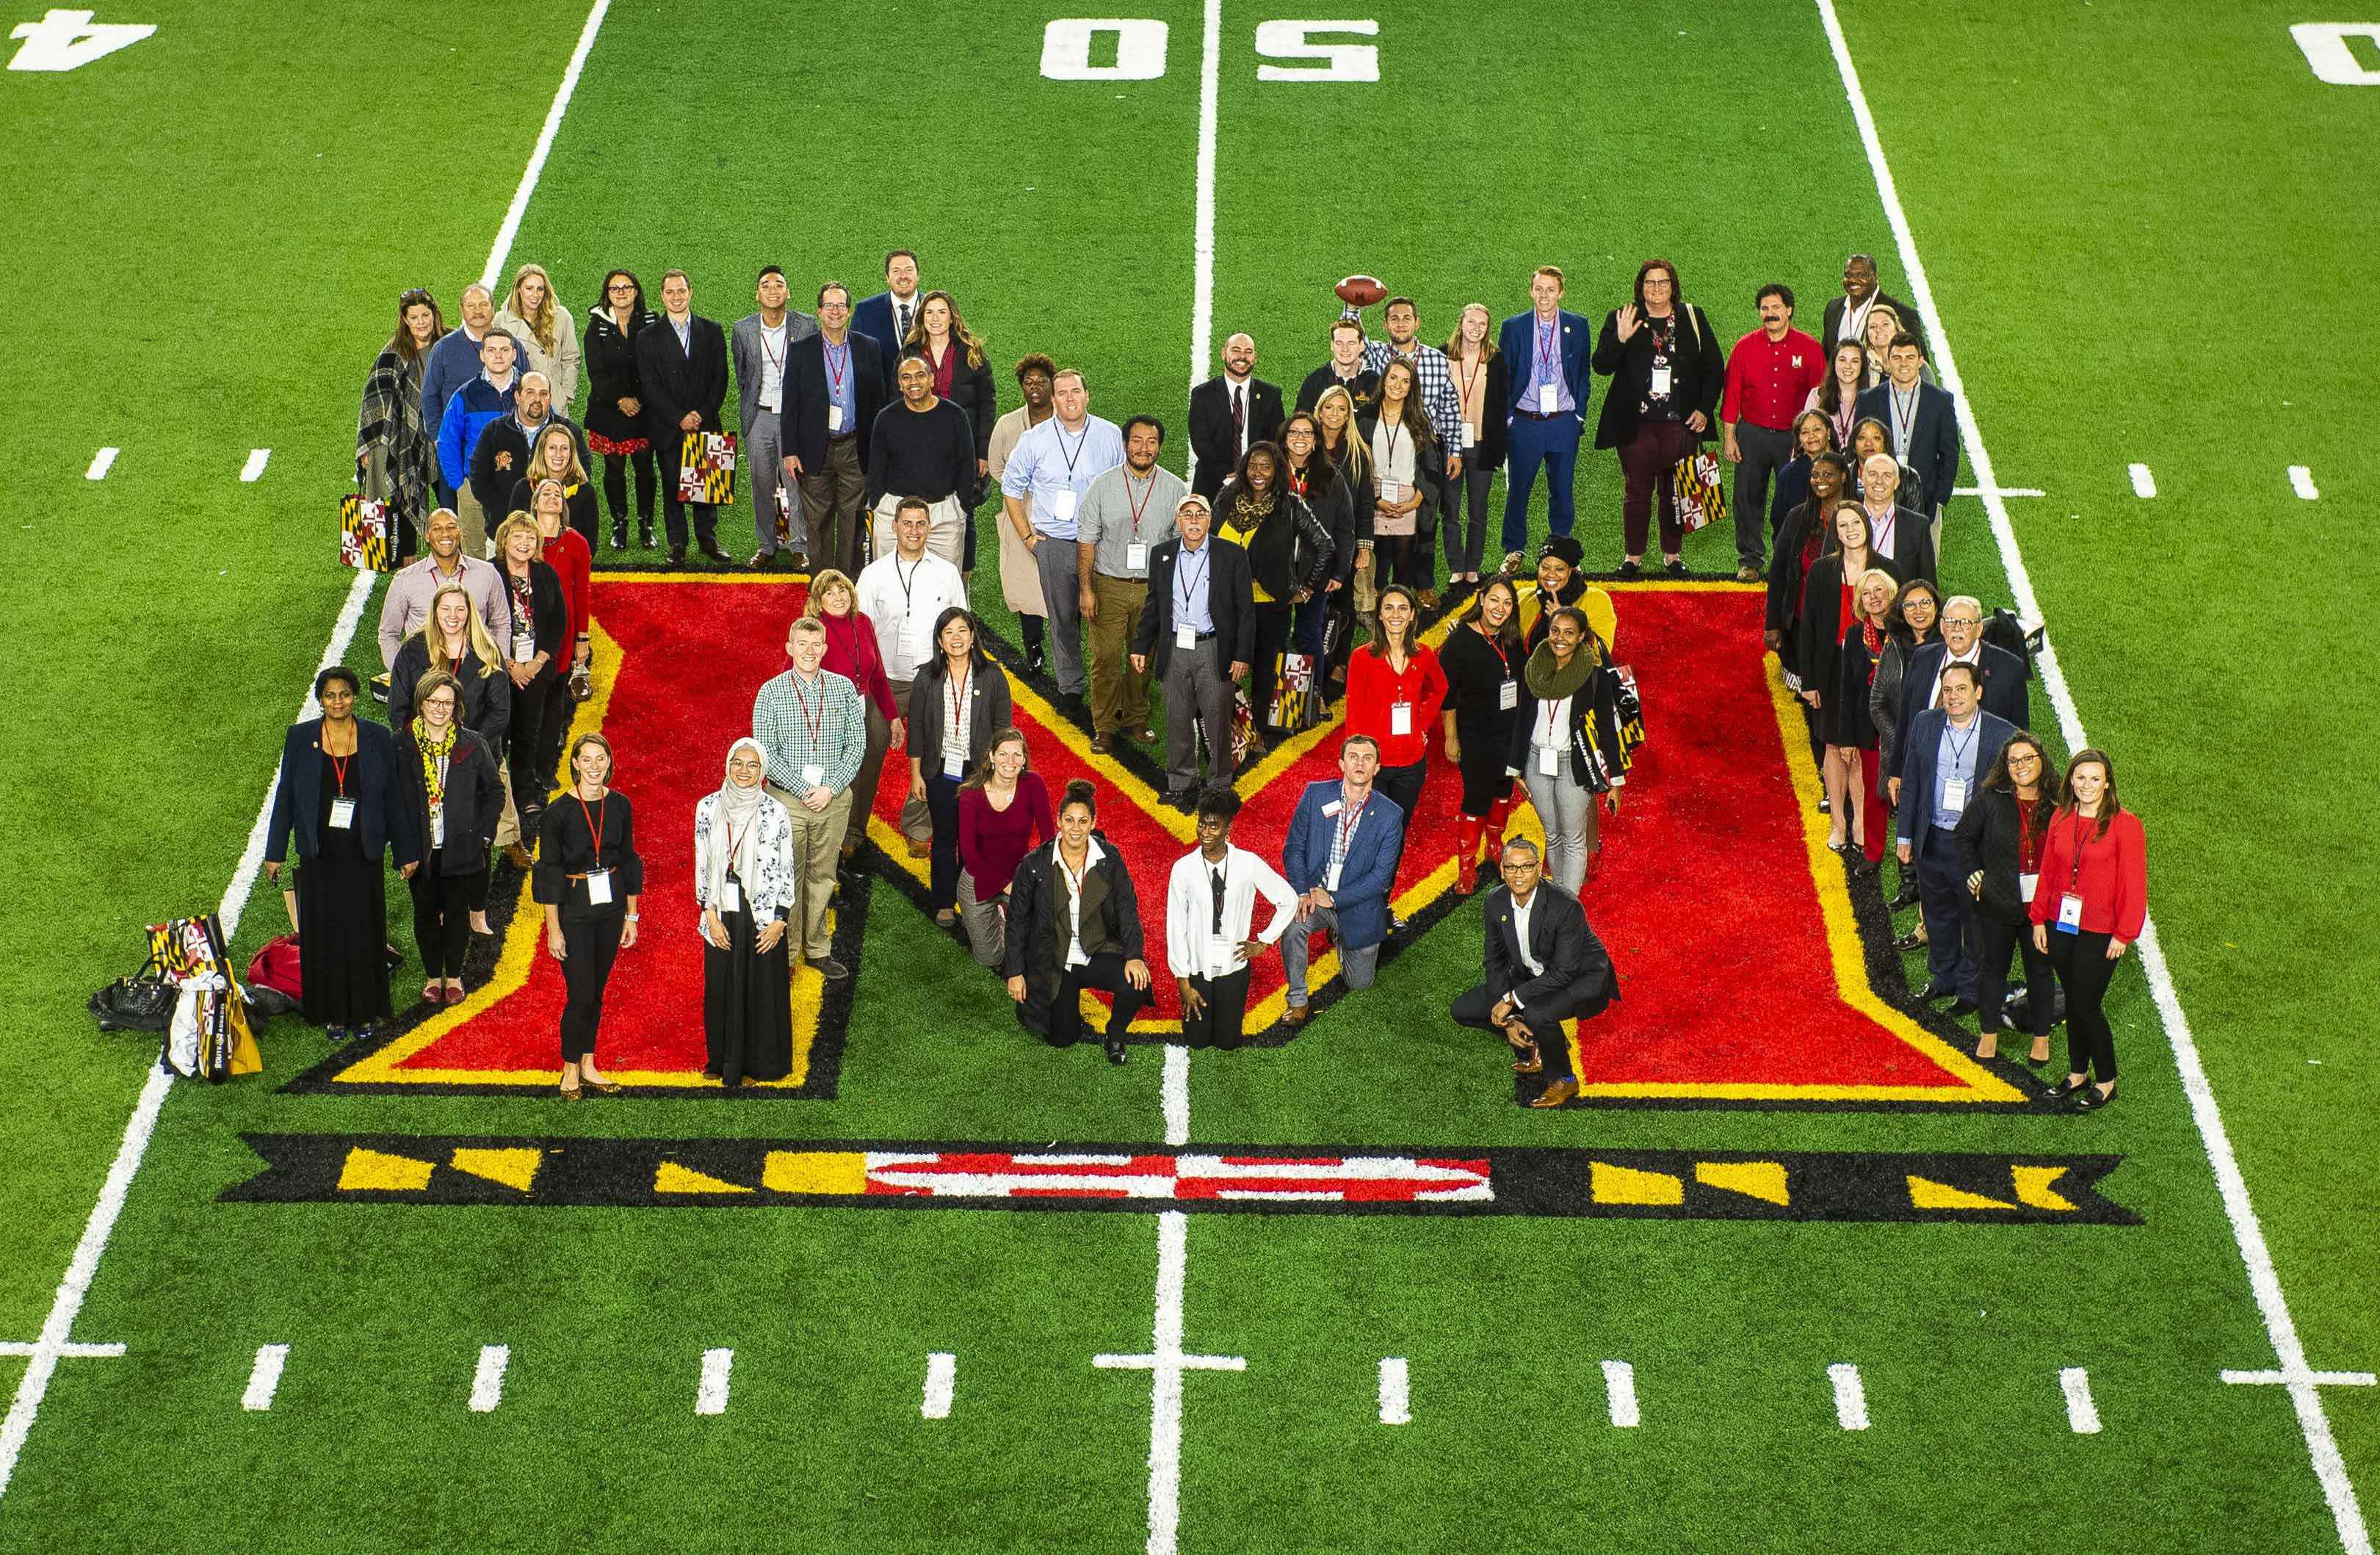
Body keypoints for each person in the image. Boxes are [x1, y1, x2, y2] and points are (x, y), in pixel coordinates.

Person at [263, 667, 419, 1043]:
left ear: (355, 697)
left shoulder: (378, 737)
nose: (338, 701)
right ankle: (334, 1012)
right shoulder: (300, 738)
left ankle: (364, 1011)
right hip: (319, 854)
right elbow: (285, 796)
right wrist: (275, 852)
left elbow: (394, 799)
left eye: (345, 694)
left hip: (362, 853)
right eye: (330, 695)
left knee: (364, 931)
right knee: (325, 933)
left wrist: (405, 852)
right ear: (320, 700)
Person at [1447, 836, 1619, 1109]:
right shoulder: (1496, 900)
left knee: (1538, 1012)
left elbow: (1563, 972)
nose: (1518, 875)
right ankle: (1539, 1038)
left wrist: (1511, 1001)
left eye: (1526, 867)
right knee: (1463, 1009)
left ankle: (1564, 1079)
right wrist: (1509, 1018)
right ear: (1502, 871)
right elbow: (1495, 959)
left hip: (1581, 977)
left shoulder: (1565, 905)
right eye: (1511, 868)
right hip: (1535, 974)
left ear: (1539, 869)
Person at [1895, 662, 2018, 1014]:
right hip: (1931, 837)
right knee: (1937, 915)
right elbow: (1912, 780)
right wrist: (1905, 835)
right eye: (1948, 690)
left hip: (1974, 848)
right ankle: (1942, 977)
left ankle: (1970, 989)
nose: (1953, 697)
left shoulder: (2002, 735)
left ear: (1978, 692)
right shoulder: (1925, 723)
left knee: (1975, 919)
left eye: (1961, 689)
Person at [389, 584, 514, 927]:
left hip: (475, 761)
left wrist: (467, 749)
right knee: (429, 835)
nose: (453, 617)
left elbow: (500, 712)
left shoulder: (487, 650)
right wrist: (426, 746)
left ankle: (476, 910)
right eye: (446, 609)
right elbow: (399, 709)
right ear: (434, 611)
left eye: (460, 609)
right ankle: (436, 908)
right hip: (425, 762)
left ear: (470, 612)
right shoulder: (413, 652)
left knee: (477, 838)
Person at [750, 617, 868, 981]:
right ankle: (785, 953)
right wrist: (804, 790)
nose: (809, 651)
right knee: (787, 875)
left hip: (833, 800)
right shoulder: (770, 693)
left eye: (816, 645)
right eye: (802, 644)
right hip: (786, 801)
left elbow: (857, 743)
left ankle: (817, 948)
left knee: (822, 873)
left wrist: (830, 787)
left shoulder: (843, 688)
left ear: (825, 649)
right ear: (789, 648)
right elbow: (765, 750)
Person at [2030, 750, 2147, 1112]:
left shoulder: (2126, 824)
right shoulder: (2062, 819)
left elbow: (2133, 882)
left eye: (2095, 778)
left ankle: (2106, 1079)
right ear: (2071, 781)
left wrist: (2124, 933)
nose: (2087, 785)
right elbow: (2048, 870)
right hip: (2062, 923)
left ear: (2107, 783)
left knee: (2086, 1004)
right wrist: (2037, 917)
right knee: (2075, 1000)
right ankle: (2078, 1071)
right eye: (2080, 778)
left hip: (2102, 930)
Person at [1003, 779, 1152, 1062]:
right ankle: (1060, 1005)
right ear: (1059, 821)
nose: (1075, 828)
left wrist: (1134, 956)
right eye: (1069, 820)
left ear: (1093, 822)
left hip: (1097, 950)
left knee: (1137, 982)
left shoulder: (1109, 859)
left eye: (1083, 821)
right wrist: (1016, 972)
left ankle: (1116, 1034)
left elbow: (1127, 910)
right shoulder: (1034, 865)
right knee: (1062, 1038)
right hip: (1055, 958)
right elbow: (1017, 922)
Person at [1594, 258, 1724, 576]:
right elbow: (1601, 365)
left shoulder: (1692, 316)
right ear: (1640, 287)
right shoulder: (1622, 317)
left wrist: (1704, 409)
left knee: (1677, 491)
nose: (1656, 289)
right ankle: (1633, 557)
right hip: (1636, 425)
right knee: (1636, 491)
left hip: (1680, 424)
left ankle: (1673, 556)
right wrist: (1620, 338)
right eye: (1650, 283)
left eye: (1663, 282)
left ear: (1673, 286)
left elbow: (1714, 367)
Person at [1001, 368, 1125, 700]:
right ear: (1053, 400)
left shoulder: (1110, 435)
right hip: (1054, 543)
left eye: (1076, 391)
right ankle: (1071, 689)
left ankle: (1106, 692)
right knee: (1063, 621)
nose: (1070, 398)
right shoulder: (1034, 440)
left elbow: (1124, 486)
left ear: (1087, 395)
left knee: (1106, 622)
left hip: (1101, 544)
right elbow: (1011, 490)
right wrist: (1028, 538)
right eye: (1063, 393)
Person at [855, 499, 969, 855]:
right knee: (867, 751)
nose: (914, 531)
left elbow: (960, 628)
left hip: (931, 677)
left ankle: (919, 825)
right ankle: (852, 829)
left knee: (934, 753)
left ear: (929, 528)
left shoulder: (947, 573)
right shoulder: (873, 575)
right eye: (908, 524)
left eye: (921, 524)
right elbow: (860, 634)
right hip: (883, 680)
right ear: (895, 527)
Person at [534, 733, 641, 1098]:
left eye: (601, 759)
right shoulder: (557, 812)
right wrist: (553, 929)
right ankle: (569, 1066)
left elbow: (628, 860)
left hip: (611, 909)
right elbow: (548, 872)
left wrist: (632, 917)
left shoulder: (621, 805)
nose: (595, 766)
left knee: (596, 992)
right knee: (581, 993)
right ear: (576, 764)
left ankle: (589, 1063)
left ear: (609, 763)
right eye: (587, 759)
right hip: (574, 911)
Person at [1278, 736, 1406, 1027]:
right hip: (1315, 896)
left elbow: (1381, 878)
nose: (1359, 763)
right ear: (1341, 763)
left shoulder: (1390, 815)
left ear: (1377, 768)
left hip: (1358, 903)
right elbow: (1294, 848)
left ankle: (1350, 932)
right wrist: (1302, 891)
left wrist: (1334, 899)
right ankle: (1297, 1000)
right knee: (1293, 925)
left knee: (1359, 983)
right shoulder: (1315, 795)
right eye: (1353, 756)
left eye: (1367, 758)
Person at [1135, 494, 1254, 805]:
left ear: (1209, 519)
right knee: (1177, 717)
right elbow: (1153, 606)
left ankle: (1219, 785)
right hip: (1174, 647)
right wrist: (1140, 646)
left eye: (1199, 514)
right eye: (1186, 514)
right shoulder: (1162, 555)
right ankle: (1180, 782)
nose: (1193, 520)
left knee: (1217, 718)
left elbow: (1245, 609)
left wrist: (1241, 655)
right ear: (1178, 521)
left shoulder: (1231, 554)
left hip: (1213, 647)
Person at [1076, 415, 1184, 753]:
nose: (1144, 448)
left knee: (1143, 658)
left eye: (1151, 442)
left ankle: (1136, 718)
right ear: (1125, 444)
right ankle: (1104, 725)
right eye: (1137, 441)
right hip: (1109, 585)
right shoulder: (1103, 485)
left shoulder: (1175, 488)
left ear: (1160, 447)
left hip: (1153, 590)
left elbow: (1182, 545)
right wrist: (1086, 589)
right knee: (1106, 658)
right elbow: (1086, 542)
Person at [391, 670, 500, 1006]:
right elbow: (391, 802)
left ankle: (452, 976)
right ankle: (431, 976)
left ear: (457, 707)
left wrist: (482, 838)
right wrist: (403, 852)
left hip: (461, 849)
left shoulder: (472, 743)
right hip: (421, 851)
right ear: (421, 704)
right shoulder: (401, 745)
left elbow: (494, 793)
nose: (440, 709)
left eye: (448, 703)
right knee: (424, 914)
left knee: (456, 913)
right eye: (434, 701)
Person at [695, 737, 798, 1085]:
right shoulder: (707, 808)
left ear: (762, 771)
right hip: (721, 909)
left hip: (763, 912)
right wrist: (709, 913)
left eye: (752, 765)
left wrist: (780, 921)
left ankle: (759, 1064)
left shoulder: (776, 811)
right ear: (727, 765)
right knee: (722, 985)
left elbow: (787, 867)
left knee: (760, 988)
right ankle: (723, 1060)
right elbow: (703, 863)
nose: (744, 770)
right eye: (738, 763)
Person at [1215, 440, 1334, 742]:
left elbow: (1325, 545)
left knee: (1266, 673)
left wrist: (1306, 587)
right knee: (1225, 670)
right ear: (1244, 468)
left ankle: (1261, 735)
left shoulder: (1289, 504)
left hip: (1269, 606)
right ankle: (1229, 734)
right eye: (1253, 465)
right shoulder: (1228, 497)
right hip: (1228, 605)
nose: (1258, 472)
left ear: (1277, 471)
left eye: (1266, 467)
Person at [1165, 786, 1297, 1050]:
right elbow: (1176, 926)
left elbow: (1289, 899)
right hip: (1197, 969)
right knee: (1197, 1041)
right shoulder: (1183, 869)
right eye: (1202, 824)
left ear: (1229, 829)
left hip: (1233, 967)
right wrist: (1183, 981)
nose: (1205, 832)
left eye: (1214, 826)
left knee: (1229, 1043)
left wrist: (1264, 941)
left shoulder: (1248, 863)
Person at [1511, 604, 1630, 894]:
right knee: (1552, 836)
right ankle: (1562, 899)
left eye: (1568, 633)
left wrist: (1616, 780)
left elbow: (1607, 729)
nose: (1560, 638)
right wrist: (1514, 768)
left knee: (1574, 839)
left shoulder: (1595, 676)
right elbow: (1522, 718)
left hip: (1573, 764)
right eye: (1555, 631)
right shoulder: (1534, 668)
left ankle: (1565, 905)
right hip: (1536, 762)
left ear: (1581, 637)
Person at [1957, 733, 2061, 1065]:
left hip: (2042, 910)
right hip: (1997, 903)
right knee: (1993, 969)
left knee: (2041, 972)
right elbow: (1963, 838)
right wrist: (1974, 873)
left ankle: (2041, 1038)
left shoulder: (2059, 803)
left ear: (2041, 761)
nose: (2021, 766)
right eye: (2014, 760)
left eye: (2028, 758)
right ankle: (1989, 1034)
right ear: (2006, 765)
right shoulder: (1990, 799)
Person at [908, 607, 1014, 928]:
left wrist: (999, 775)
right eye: (948, 632)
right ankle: (943, 902)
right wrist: (916, 773)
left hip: (980, 773)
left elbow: (1003, 728)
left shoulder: (992, 675)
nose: (956, 638)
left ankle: (971, 901)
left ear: (972, 637)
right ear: (939, 640)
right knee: (944, 838)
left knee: (975, 840)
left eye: (962, 631)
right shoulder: (926, 677)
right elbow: (916, 730)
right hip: (939, 771)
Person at [1721, 283, 1827, 582]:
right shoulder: (1744, 347)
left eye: (1776, 308)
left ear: (1789, 310)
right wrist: (1730, 438)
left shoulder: (1809, 348)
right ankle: (1750, 560)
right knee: (1747, 498)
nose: (1770, 314)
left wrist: (1815, 441)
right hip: (1752, 434)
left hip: (1793, 438)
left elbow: (1820, 397)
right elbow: (1732, 396)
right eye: (1765, 309)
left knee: (1794, 499)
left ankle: (1792, 558)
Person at [1796, 506, 1893, 830]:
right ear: (1835, 533)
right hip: (1831, 669)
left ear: (1866, 526)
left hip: (1872, 669)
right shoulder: (1824, 570)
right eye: (1843, 525)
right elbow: (1807, 626)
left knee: (1866, 746)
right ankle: (1839, 822)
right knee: (1834, 744)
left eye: (1856, 523)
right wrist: (1808, 681)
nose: (1851, 530)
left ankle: (1861, 822)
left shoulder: (1888, 569)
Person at [1345, 584, 1447, 871]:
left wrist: (1422, 723)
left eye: (1403, 608)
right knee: (1366, 833)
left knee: (1395, 833)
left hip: (1411, 763)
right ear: (1379, 614)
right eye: (1388, 608)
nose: (1395, 615)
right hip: (1374, 766)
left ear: (1413, 614)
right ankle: (1358, 899)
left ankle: (1383, 899)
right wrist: (1357, 763)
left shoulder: (1424, 655)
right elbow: (1354, 713)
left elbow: (1440, 688)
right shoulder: (1362, 658)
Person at [634, 269, 732, 566]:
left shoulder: (712, 331)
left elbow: (721, 379)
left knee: (707, 485)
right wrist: (679, 417)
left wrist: (701, 414)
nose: (676, 297)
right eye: (670, 292)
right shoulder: (647, 337)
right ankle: (677, 542)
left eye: (681, 291)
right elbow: (649, 385)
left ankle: (708, 539)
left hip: (704, 421)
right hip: (669, 426)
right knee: (672, 486)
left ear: (691, 292)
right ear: (662, 296)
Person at [1497, 265, 1594, 562]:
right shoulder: (1514, 327)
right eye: (1539, 289)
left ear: (1561, 293)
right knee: (1519, 489)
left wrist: (1578, 415)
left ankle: (1560, 548)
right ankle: (1514, 549)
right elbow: (1504, 376)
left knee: (1562, 489)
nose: (1544, 295)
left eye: (1550, 290)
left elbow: (1582, 373)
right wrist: (1509, 418)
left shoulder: (1578, 325)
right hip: (1525, 421)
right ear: (1531, 290)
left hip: (1563, 421)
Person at [1766, 452, 1854, 773]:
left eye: (1828, 474)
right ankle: (1824, 765)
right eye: (1816, 475)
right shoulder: (1798, 518)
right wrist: (1774, 624)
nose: (1820, 480)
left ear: (1844, 477)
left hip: (1848, 627)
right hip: (1805, 626)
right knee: (1813, 697)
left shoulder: (1857, 518)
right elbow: (1778, 573)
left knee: (1844, 698)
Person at [806, 568, 901, 863]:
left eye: (842, 590)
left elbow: (879, 675)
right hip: (829, 716)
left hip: (866, 707)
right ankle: (827, 845)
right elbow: (790, 674)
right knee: (835, 779)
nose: (838, 598)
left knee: (866, 775)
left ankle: (854, 835)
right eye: (829, 593)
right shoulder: (813, 630)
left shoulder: (863, 623)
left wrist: (893, 717)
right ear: (818, 601)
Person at [1440, 576, 1526, 894]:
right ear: (1481, 598)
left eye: (1507, 603)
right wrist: (1451, 737)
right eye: (1494, 600)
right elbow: (1446, 696)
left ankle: (1494, 846)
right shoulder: (1460, 641)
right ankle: (1466, 869)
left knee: (1504, 789)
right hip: (1474, 734)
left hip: (1509, 732)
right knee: (1477, 796)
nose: (1500, 609)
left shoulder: (1513, 639)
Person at [902, 289, 998, 570]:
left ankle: (960, 587)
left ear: (952, 316)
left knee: (963, 513)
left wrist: (983, 454)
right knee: (920, 507)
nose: (935, 318)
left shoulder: (972, 353)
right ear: (922, 317)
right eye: (929, 312)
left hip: (961, 448)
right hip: (919, 448)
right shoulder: (911, 353)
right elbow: (897, 402)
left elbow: (986, 405)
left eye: (941, 312)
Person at [491, 512, 568, 860]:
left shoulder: (545, 574)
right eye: (517, 537)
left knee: (527, 735)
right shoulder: (490, 573)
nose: (524, 544)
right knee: (497, 734)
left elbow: (558, 621)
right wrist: (509, 664)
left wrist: (536, 663)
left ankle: (525, 796)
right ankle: (495, 798)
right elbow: (479, 619)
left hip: (535, 672)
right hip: (497, 670)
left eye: (530, 538)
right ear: (504, 539)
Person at [731, 265, 818, 569]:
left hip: (796, 419)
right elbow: (743, 374)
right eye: (766, 285)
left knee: (797, 482)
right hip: (760, 417)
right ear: (757, 294)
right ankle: (766, 545)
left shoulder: (807, 326)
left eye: (779, 285)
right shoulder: (742, 329)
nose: (772, 290)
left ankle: (799, 546)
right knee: (762, 483)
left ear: (788, 292)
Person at [419, 284, 532, 510]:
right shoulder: (443, 348)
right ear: (462, 310)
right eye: (471, 305)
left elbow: (528, 389)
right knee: (459, 521)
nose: (478, 310)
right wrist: (438, 438)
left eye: (483, 304)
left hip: (509, 458)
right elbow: (429, 397)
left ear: (492, 308)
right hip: (459, 452)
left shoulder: (512, 345)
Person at [865, 352, 978, 562]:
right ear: (900, 384)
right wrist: (879, 503)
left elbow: (966, 466)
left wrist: (962, 506)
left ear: (931, 379)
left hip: (943, 517)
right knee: (889, 587)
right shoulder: (886, 418)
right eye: (906, 377)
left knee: (945, 589)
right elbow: (876, 469)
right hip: (893, 514)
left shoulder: (955, 416)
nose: (913, 382)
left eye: (920, 375)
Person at [358, 287, 445, 561]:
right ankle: (409, 576)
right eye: (415, 317)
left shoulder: (449, 343)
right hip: (404, 442)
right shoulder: (393, 353)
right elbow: (374, 399)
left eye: (426, 315)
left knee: (450, 505)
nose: (422, 322)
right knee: (403, 510)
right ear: (405, 320)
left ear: (434, 315)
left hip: (444, 440)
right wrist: (369, 447)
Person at [956, 728, 1055, 969]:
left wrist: (1040, 879)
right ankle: (1000, 921)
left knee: (1039, 947)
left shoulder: (1034, 784)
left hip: (1020, 876)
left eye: (1016, 755)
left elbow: (1048, 837)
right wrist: (1010, 887)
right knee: (991, 960)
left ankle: (1015, 921)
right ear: (991, 757)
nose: (1010, 762)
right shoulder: (970, 796)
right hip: (979, 881)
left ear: (1024, 760)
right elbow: (970, 856)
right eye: (1003, 754)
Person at [1893, 595, 2029, 763]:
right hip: (1925, 769)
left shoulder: (2009, 667)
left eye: (1965, 623)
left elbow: (2019, 732)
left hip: (1982, 775)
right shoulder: (1922, 658)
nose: (1957, 629)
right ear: (1942, 627)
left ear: (1979, 629)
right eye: (1950, 621)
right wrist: (1897, 771)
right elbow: (1905, 718)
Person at [1856, 333, 1960, 552]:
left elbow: (1950, 454)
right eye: (1897, 358)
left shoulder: (1941, 400)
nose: (1903, 364)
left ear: (1920, 361)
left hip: (1925, 499)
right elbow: (1858, 449)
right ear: (1888, 361)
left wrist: (1939, 499)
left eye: (1910, 357)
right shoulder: (1869, 398)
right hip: (1878, 495)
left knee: (1924, 570)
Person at [1823, 567, 1898, 866]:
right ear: (1860, 602)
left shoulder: (1905, 633)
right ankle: (1873, 853)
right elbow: (1848, 692)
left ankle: (1911, 863)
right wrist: (1847, 739)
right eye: (1866, 593)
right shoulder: (1855, 635)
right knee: (1872, 792)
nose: (1874, 598)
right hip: (1868, 728)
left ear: (1891, 593)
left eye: (1879, 590)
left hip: (1901, 724)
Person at [376, 509, 511, 673]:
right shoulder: (405, 579)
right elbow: (388, 633)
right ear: (427, 535)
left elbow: (501, 623)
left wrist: (500, 666)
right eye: (437, 529)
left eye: (451, 527)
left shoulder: (487, 573)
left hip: (477, 673)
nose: (445, 534)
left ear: (461, 533)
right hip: (426, 674)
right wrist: (402, 674)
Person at [989, 355, 1059, 672]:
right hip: (1019, 511)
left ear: (1052, 385)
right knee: (1025, 582)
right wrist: (1020, 486)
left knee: (1061, 582)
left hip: (1059, 514)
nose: (1034, 387)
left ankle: (1062, 646)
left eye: (1041, 382)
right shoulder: (1008, 424)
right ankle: (1034, 647)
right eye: (1028, 382)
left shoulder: (1068, 420)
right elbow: (995, 466)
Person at [583, 269, 659, 548]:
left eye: (627, 287)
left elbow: (658, 366)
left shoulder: (652, 320)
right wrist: (620, 400)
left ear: (636, 291)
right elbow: (596, 371)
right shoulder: (597, 325)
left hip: (644, 408)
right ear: (608, 294)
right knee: (614, 468)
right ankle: (620, 524)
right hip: (609, 411)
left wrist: (639, 400)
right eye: (615, 289)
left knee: (645, 468)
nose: (621, 292)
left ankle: (646, 524)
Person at [468, 371, 587, 548]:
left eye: (543, 394)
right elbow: (480, 481)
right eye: (530, 392)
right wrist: (511, 519)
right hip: (504, 533)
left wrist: (552, 517)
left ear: (550, 398)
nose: (537, 399)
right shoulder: (493, 431)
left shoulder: (569, 432)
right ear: (517, 396)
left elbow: (581, 477)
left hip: (556, 538)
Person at [1359, 358, 1445, 598]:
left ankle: (1401, 609)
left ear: (1411, 388)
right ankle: (1374, 610)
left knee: (1404, 565)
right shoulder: (1365, 415)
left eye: (1405, 381)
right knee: (1377, 564)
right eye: (1393, 378)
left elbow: (1432, 466)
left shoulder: (1419, 421)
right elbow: (1357, 463)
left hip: (1408, 500)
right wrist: (1375, 499)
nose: (1398, 385)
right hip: (1373, 497)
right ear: (1384, 380)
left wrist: (1415, 502)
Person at [1867, 577, 1942, 852]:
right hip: (1901, 754)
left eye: (1925, 603)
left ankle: (1927, 886)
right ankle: (1908, 885)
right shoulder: (1894, 645)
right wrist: (1901, 740)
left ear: (1937, 607)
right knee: (1904, 817)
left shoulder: (1949, 647)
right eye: (1910, 605)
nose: (1919, 611)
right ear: (1901, 611)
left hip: (1939, 750)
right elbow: (1877, 702)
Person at [1442, 304, 1510, 587]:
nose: (1476, 328)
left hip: (1483, 444)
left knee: (1478, 511)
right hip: (1450, 447)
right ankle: (1456, 565)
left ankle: (1473, 566)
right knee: (1451, 509)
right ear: (1461, 322)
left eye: (1482, 324)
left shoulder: (1495, 360)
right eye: (1472, 322)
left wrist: (1500, 449)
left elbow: (1502, 405)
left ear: (1487, 328)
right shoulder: (1443, 354)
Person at [1279, 410, 1354, 664]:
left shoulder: (1331, 477)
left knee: (1310, 634)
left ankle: (1313, 697)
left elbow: (1345, 528)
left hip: (1316, 572)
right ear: (1284, 438)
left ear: (1316, 441)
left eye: (1307, 433)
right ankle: (1272, 699)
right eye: (1294, 432)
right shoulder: (1271, 476)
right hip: (1276, 572)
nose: (1300, 438)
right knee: (1274, 636)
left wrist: (1339, 572)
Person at [434, 330, 520, 551]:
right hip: (474, 488)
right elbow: (446, 442)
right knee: (475, 553)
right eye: (491, 350)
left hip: (521, 486)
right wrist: (459, 484)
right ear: (482, 355)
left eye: (504, 350)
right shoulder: (465, 395)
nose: (498, 356)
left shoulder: (530, 390)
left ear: (514, 354)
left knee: (521, 548)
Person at [1312, 385, 1374, 681]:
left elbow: (1365, 503)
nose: (1335, 414)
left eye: (1342, 409)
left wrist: (1364, 547)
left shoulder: (1359, 452)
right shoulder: (1305, 446)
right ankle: (1311, 660)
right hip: (1308, 544)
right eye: (1330, 407)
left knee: (1344, 602)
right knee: (1311, 605)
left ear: (1349, 414)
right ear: (1320, 411)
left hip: (1343, 543)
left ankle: (1338, 661)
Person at [528, 479, 593, 736]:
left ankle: (552, 738)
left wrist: (583, 637)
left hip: (564, 630)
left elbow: (582, 594)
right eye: (546, 493)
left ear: (563, 505)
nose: (553, 497)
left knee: (556, 686)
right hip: (528, 626)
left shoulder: (577, 542)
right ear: (535, 503)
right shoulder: (523, 538)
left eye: (558, 494)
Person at [1189, 333, 1284, 501]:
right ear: (1224, 353)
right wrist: (1228, 476)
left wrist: (1255, 474)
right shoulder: (1202, 394)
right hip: (1212, 483)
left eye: (1248, 352)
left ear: (1254, 358)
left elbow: (1276, 441)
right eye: (1236, 350)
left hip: (1260, 485)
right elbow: (1201, 442)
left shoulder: (1271, 395)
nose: (1242, 357)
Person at [493, 263, 581, 411]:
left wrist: (565, 394)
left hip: (553, 400)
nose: (535, 294)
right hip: (517, 403)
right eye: (529, 288)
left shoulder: (561, 317)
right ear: (518, 289)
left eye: (540, 289)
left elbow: (571, 357)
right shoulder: (501, 320)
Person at [1851, 452, 1939, 587]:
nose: (1879, 481)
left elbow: (1928, 584)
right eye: (1873, 474)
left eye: (1887, 475)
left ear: (1897, 482)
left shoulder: (1918, 526)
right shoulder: (1844, 520)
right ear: (1862, 478)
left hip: (1899, 606)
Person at [507, 424, 599, 546]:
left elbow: (590, 545)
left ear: (572, 453)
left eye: (564, 448)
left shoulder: (585, 491)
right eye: (552, 448)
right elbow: (511, 537)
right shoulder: (523, 488)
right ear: (542, 451)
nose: (558, 454)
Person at [852, 248, 925, 393]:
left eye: (909, 270)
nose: (903, 276)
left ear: (918, 275)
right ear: (887, 277)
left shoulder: (935, 308)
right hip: (883, 405)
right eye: (896, 271)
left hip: (929, 403)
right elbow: (856, 360)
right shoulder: (865, 311)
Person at [1820, 253, 1918, 355]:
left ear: (1875, 277)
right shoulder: (1833, 308)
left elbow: (1919, 364)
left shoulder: (1903, 314)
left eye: (1861, 275)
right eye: (1848, 275)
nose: (1853, 280)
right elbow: (1826, 356)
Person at [1768, 410, 1838, 545]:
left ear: (1828, 433)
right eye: (1805, 432)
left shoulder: (1844, 467)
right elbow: (1779, 519)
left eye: (1817, 430)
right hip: (1800, 548)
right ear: (1799, 439)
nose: (1811, 436)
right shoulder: (1788, 474)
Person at [1295, 318, 1381, 416]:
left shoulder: (1375, 382)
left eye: (1351, 343)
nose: (1345, 349)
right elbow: (1300, 422)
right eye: (1339, 343)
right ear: (1332, 345)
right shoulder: (1315, 380)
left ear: (1361, 346)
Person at [1516, 535, 1587, 654]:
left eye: (1559, 569)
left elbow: (1597, 653)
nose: (1551, 575)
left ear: (1570, 571)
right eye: (1545, 568)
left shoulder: (1596, 599)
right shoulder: (1523, 598)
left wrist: (1565, 619)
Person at [1807, 337, 1867, 451]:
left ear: (1862, 366)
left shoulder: (1871, 399)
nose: (1848, 366)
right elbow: (1804, 437)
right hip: (1824, 465)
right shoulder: (1817, 396)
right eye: (1842, 360)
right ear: (1834, 363)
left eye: (1854, 361)